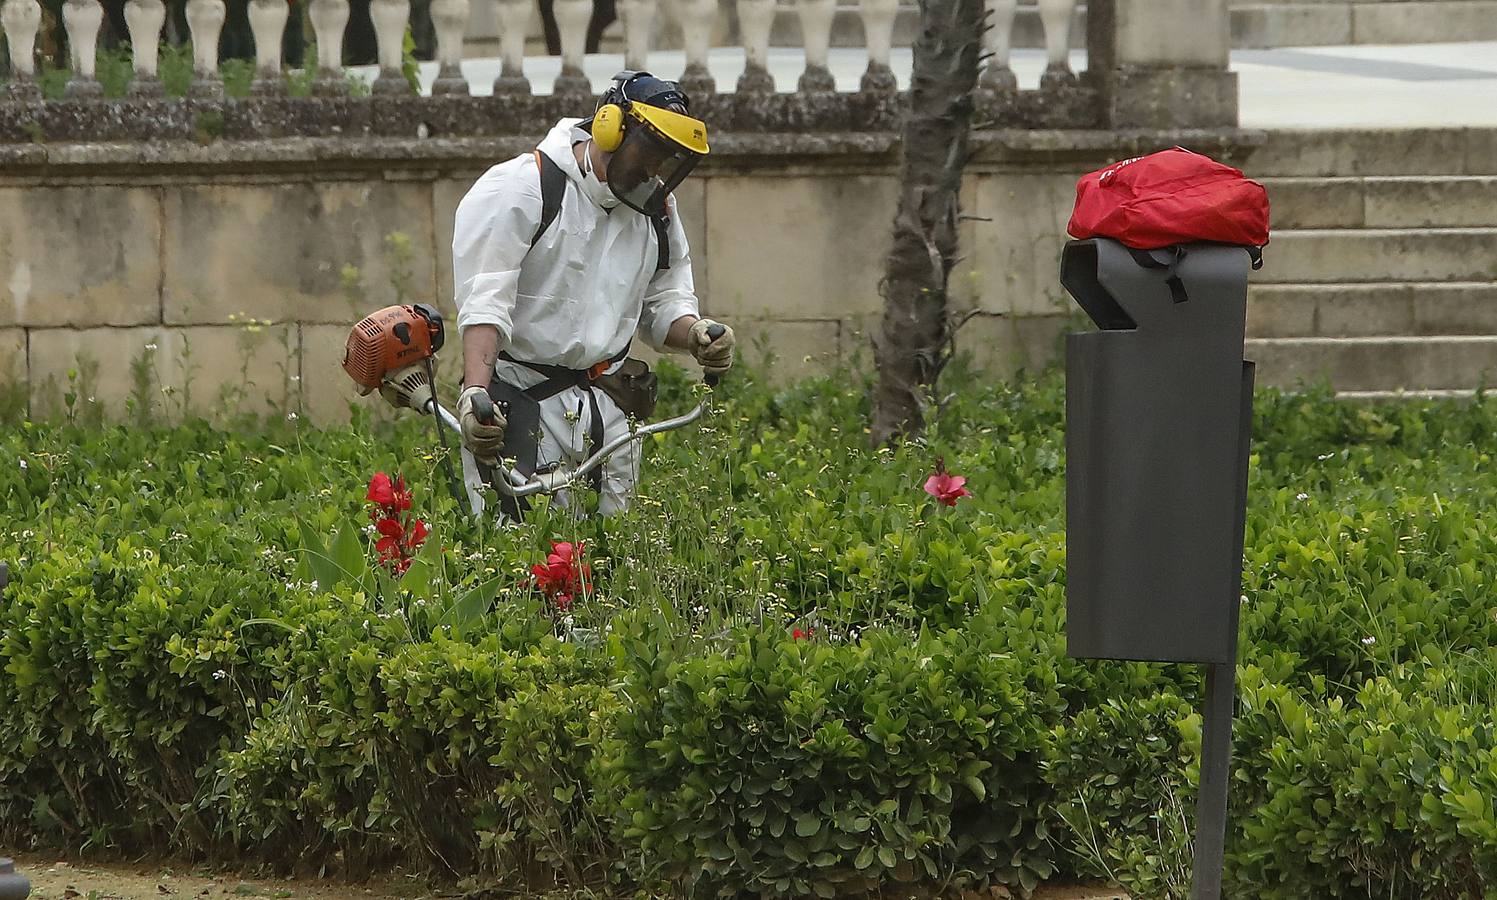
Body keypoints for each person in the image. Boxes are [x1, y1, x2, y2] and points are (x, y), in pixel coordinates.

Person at [450, 70, 736, 519]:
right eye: (648, 153)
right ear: (609, 126)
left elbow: (663, 304)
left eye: (665, 160)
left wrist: (698, 334)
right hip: (520, 407)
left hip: (611, 410)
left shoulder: (655, 210)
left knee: (610, 565)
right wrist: (475, 397)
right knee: (519, 566)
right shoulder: (520, 188)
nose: (652, 171)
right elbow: (486, 302)